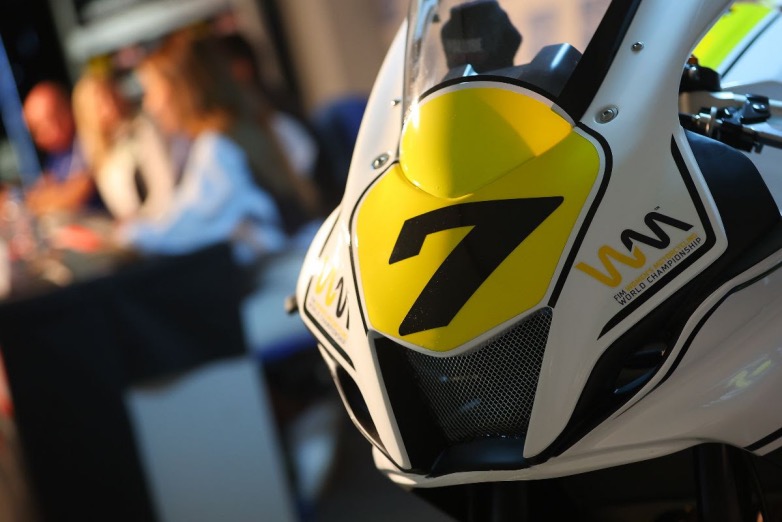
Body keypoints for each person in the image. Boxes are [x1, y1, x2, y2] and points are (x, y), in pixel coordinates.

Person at [117, 31, 313, 262]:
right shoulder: (256, 123)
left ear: (182, 90)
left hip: (287, 269)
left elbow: (186, 230)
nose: (149, 105)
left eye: (152, 90)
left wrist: (126, 234)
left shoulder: (217, 149)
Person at [72, 71, 175, 220]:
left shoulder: (143, 128)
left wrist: (142, 225)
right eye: (100, 102)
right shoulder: (96, 150)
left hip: (161, 221)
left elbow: (164, 187)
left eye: (111, 94)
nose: (110, 104)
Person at [22, 82, 97, 215]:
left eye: (52, 116)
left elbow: (80, 190)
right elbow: (36, 195)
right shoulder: (57, 155)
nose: (39, 137)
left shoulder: (88, 136)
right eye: (36, 129)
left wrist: (47, 200)